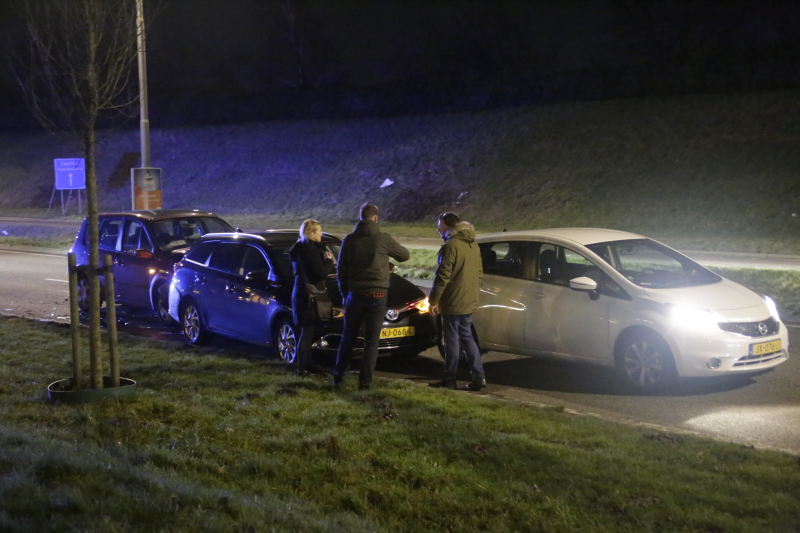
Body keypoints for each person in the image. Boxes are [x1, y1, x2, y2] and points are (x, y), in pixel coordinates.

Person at [333, 203, 410, 390]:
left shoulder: (349, 240)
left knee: (348, 337)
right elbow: (404, 255)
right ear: (376, 218)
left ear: (361, 217)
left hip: (355, 294)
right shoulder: (383, 239)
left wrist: (344, 293)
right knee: (372, 341)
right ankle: (365, 383)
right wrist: (385, 263)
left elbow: (341, 269)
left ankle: (338, 378)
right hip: (377, 294)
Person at [428, 212, 486, 390]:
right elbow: (479, 274)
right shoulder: (473, 245)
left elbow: (442, 276)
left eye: (440, 226)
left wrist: (433, 300)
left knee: (451, 340)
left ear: (449, 226)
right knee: (467, 338)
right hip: (468, 300)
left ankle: (450, 378)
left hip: (453, 301)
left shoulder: (450, 246)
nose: (438, 229)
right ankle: (479, 377)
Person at [289, 219, 334, 376]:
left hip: (300, 293)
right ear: (312, 233)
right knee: (307, 332)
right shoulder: (309, 250)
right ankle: (302, 368)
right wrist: (329, 262)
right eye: (319, 231)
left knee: (307, 331)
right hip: (308, 296)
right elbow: (319, 273)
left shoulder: (299, 248)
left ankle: (307, 364)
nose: (321, 234)